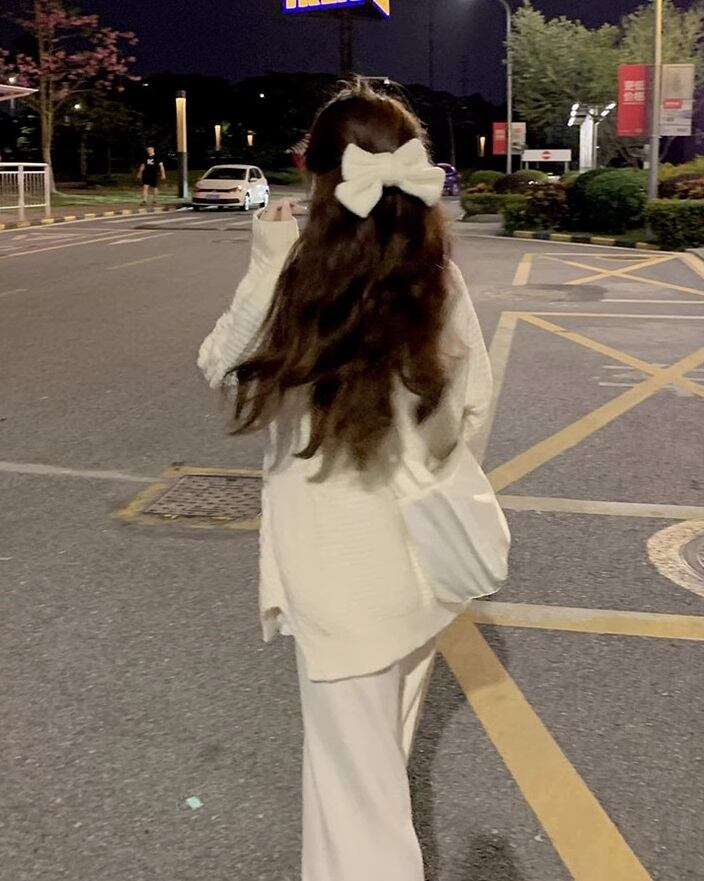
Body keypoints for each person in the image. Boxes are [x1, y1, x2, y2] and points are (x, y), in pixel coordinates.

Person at [197, 82, 496, 880]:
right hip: (421, 571)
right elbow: (473, 410)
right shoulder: (437, 277)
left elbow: (222, 368)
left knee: (355, 808)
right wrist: (421, 463)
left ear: (316, 174)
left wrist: (264, 262)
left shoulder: (298, 282)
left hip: (339, 582)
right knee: (376, 777)